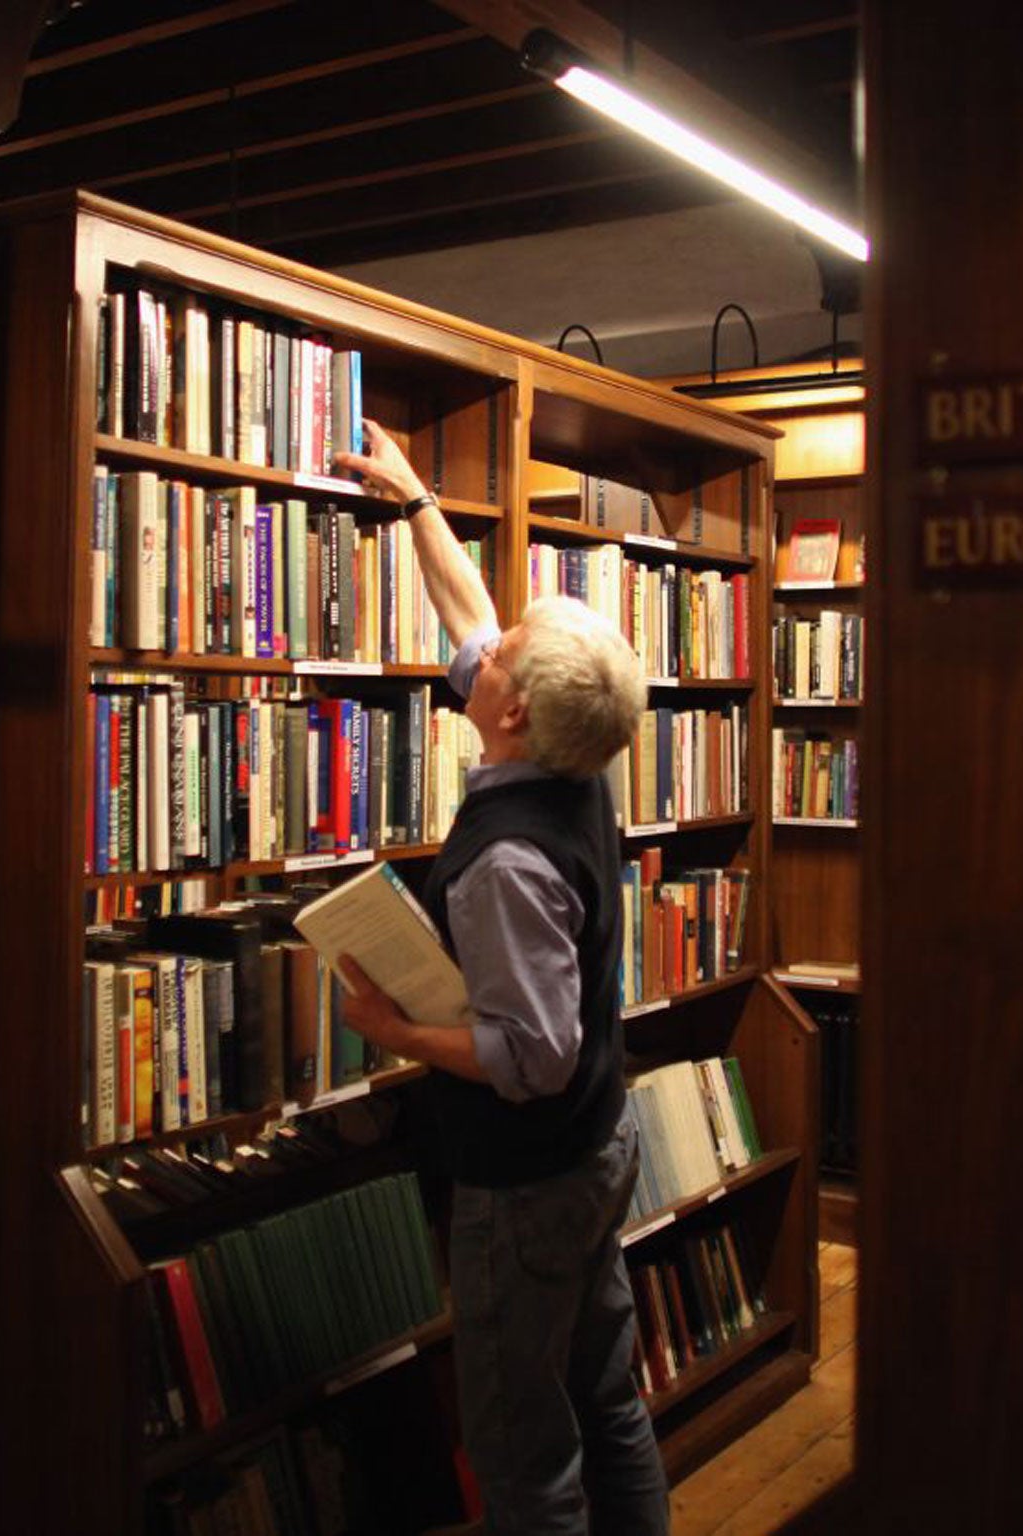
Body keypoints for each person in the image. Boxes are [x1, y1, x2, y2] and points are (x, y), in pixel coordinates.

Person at [328, 420, 670, 1536]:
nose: (491, 647)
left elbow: (528, 1058)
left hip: (529, 1180)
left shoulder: (509, 859)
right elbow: (469, 613)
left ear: (512, 710)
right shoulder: (567, 764)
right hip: (595, 1143)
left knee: (523, 1452)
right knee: (606, 1397)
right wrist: (415, 499)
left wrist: (395, 1028)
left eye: (510, 655)